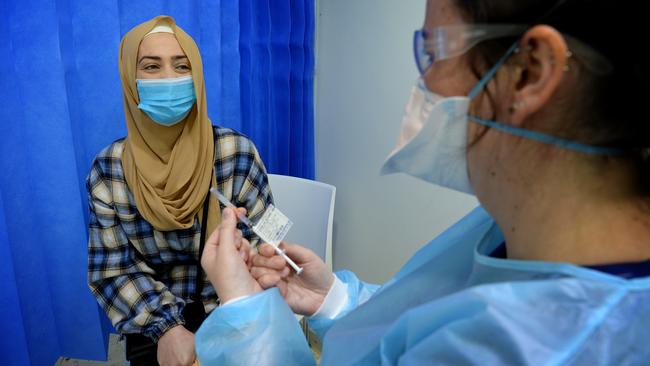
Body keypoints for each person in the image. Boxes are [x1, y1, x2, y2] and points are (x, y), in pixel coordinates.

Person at [195, 0, 650, 364]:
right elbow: (424, 320)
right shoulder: (514, 227)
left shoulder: (544, 344)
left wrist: (244, 315)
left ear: (529, 72)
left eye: (433, 49)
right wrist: (333, 301)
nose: (425, 78)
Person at [86, 16, 273, 366]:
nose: (169, 78)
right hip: (153, 324)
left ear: (197, 75)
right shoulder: (108, 169)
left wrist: (257, 257)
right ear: (130, 79)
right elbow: (113, 270)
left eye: (181, 65)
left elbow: (268, 240)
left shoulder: (237, 153)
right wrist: (167, 328)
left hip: (234, 313)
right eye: (151, 67)